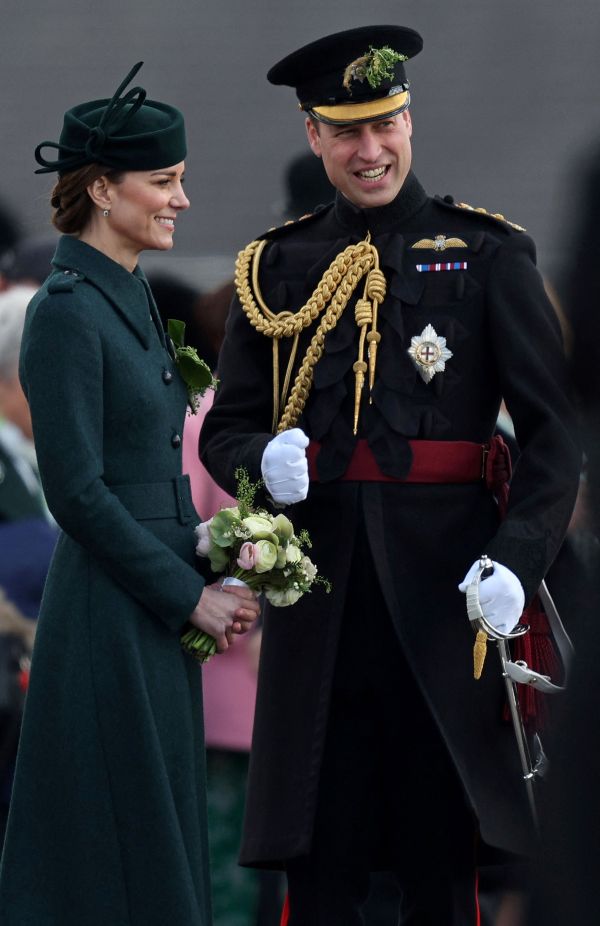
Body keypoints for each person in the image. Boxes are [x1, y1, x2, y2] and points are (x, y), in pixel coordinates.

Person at [200, 26, 581, 926]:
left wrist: (515, 561)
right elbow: (228, 430)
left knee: (442, 863)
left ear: (409, 121)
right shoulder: (276, 266)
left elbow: (555, 438)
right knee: (319, 861)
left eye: (385, 124)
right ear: (314, 137)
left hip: (448, 601)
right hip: (322, 608)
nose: (369, 150)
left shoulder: (487, 255)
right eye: (346, 131)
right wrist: (264, 460)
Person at [0, 63, 260, 926]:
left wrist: (215, 559)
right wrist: (192, 594)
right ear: (102, 189)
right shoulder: (68, 309)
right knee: (114, 854)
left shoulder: (128, 295)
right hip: (113, 611)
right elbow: (77, 492)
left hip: (145, 603)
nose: (181, 199)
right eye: (164, 180)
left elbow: (150, 480)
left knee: (153, 841)